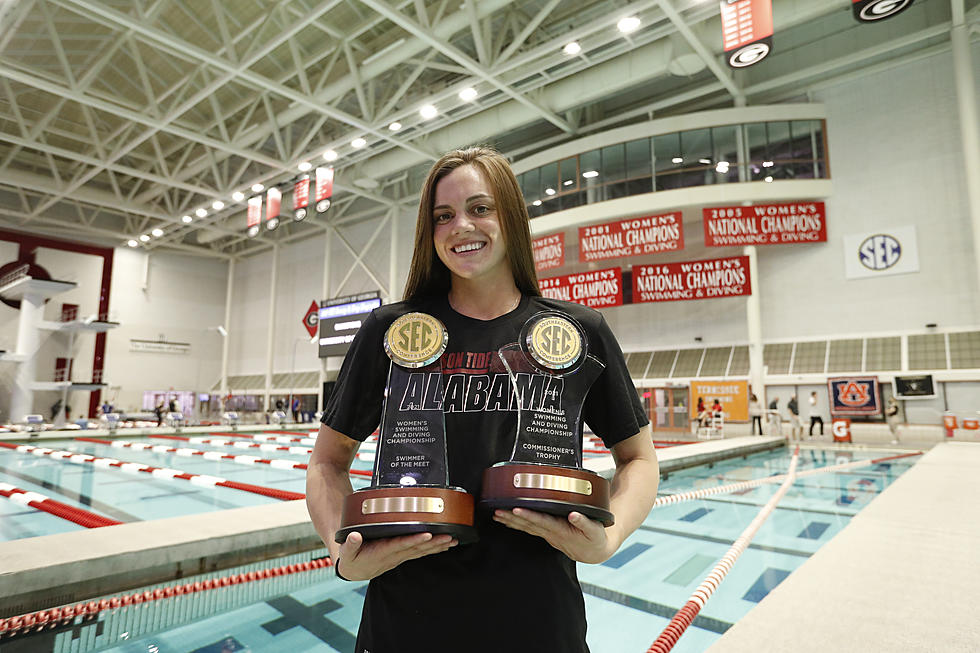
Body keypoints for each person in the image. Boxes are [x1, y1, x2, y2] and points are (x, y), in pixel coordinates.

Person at [305, 146, 659, 653]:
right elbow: (327, 462)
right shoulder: (392, 331)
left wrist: (610, 537)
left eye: (480, 208)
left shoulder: (578, 332)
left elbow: (639, 458)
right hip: (407, 620)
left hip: (539, 619)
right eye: (443, 216)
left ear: (511, 215)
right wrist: (341, 551)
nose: (461, 226)